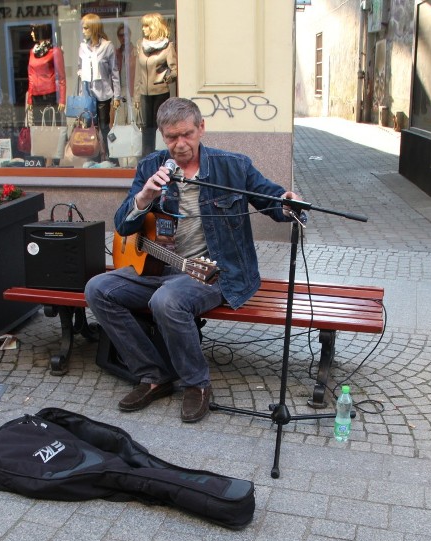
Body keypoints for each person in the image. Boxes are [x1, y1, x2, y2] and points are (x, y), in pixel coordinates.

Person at [84, 97, 303, 423]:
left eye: (187, 134)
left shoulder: (234, 165)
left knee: (167, 301)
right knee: (97, 289)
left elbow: (270, 198)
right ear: (162, 135)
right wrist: (145, 197)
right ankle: (153, 374)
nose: (180, 144)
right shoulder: (150, 166)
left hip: (214, 272)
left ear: (201, 128)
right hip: (158, 269)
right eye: (171, 137)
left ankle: (196, 384)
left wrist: (287, 203)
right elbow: (123, 225)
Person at [133, 13, 177, 157]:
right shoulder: (141, 45)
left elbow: (175, 69)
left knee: (162, 126)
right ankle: (147, 158)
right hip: (145, 93)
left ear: (154, 27)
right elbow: (138, 74)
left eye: (146, 26)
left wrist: (167, 78)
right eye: (143, 26)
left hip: (160, 92)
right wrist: (137, 97)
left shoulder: (167, 46)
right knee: (146, 128)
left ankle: (165, 156)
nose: (144, 29)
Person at [78, 13, 120, 160]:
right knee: (90, 128)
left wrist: (117, 96)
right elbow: (79, 69)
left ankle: (112, 156)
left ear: (94, 29)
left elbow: (114, 72)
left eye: (86, 28)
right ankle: (93, 157)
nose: (83, 31)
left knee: (104, 127)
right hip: (87, 94)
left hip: (103, 93)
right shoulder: (83, 47)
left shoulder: (107, 46)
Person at [26, 23, 66, 126]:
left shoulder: (54, 51)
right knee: (38, 126)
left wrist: (62, 99)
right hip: (36, 96)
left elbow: (61, 77)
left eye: (33, 30)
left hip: (50, 95)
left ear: (41, 32)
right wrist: (29, 98)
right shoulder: (32, 52)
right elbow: (31, 76)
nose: (31, 33)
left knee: (51, 125)